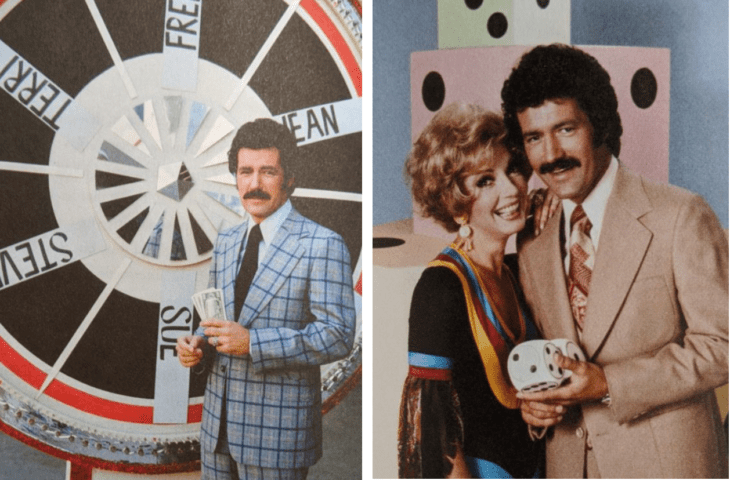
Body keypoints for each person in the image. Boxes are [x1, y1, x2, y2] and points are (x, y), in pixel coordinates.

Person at [501, 43, 728, 478]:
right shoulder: (531, 235)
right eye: (534, 137)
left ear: (599, 123)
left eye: (565, 129)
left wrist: (609, 384)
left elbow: (722, 346)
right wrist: (535, 407)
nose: (550, 155)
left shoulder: (680, 215)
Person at [176, 118, 356, 480]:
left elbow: (338, 335)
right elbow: (222, 318)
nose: (254, 184)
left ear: (289, 178)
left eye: (267, 172)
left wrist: (253, 343)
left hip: (277, 437)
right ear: (235, 177)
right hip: (216, 432)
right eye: (245, 172)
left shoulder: (322, 244)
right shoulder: (227, 242)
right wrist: (198, 342)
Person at [397, 103, 542, 478]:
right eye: (485, 181)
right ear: (453, 202)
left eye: (511, 169)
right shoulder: (440, 288)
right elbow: (433, 436)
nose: (511, 189)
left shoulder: (517, 271)